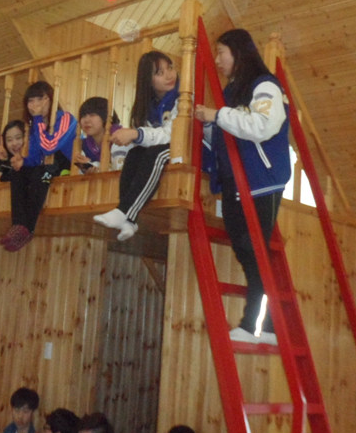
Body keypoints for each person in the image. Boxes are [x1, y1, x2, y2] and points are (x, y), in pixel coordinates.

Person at [194, 29, 290, 345]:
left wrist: (218, 115)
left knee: (254, 250)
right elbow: (230, 132)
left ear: (238, 52)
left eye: (221, 52)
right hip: (237, 180)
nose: (217, 60)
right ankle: (270, 327)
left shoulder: (264, 85)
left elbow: (262, 126)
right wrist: (210, 125)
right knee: (246, 250)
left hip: (261, 181)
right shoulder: (233, 90)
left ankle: (255, 325)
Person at [93, 52, 179, 243]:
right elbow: (148, 138)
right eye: (160, 72)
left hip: (184, 148)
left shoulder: (182, 97)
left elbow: (171, 135)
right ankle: (128, 220)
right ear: (148, 80)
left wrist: (136, 134)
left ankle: (124, 212)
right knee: (135, 153)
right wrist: (135, 136)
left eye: (170, 68)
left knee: (156, 154)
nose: (169, 75)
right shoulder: (149, 105)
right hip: (165, 147)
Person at [0, 81, 76, 252]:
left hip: (65, 166)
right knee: (18, 173)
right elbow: (35, 157)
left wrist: (39, 119)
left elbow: (50, 147)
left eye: (40, 99)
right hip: (46, 167)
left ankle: (28, 228)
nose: (35, 105)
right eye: (31, 101)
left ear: (49, 99)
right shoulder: (36, 127)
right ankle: (19, 225)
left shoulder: (66, 118)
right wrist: (22, 162)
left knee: (41, 172)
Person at [75, 97, 128, 174]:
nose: (86, 120)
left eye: (92, 115)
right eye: (83, 116)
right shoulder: (84, 145)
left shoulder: (120, 139)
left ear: (105, 117)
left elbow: (119, 173)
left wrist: (95, 167)